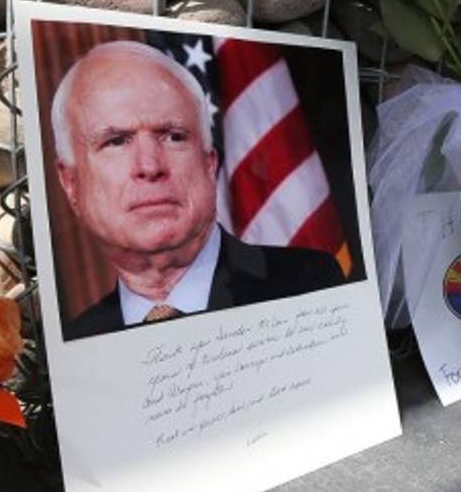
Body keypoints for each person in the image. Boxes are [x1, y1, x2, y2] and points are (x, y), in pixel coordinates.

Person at [51, 40, 344, 341]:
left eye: (174, 137)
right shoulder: (79, 342)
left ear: (208, 164)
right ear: (71, 183)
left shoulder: (310, 284)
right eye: (116, 141)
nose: (150, 166)